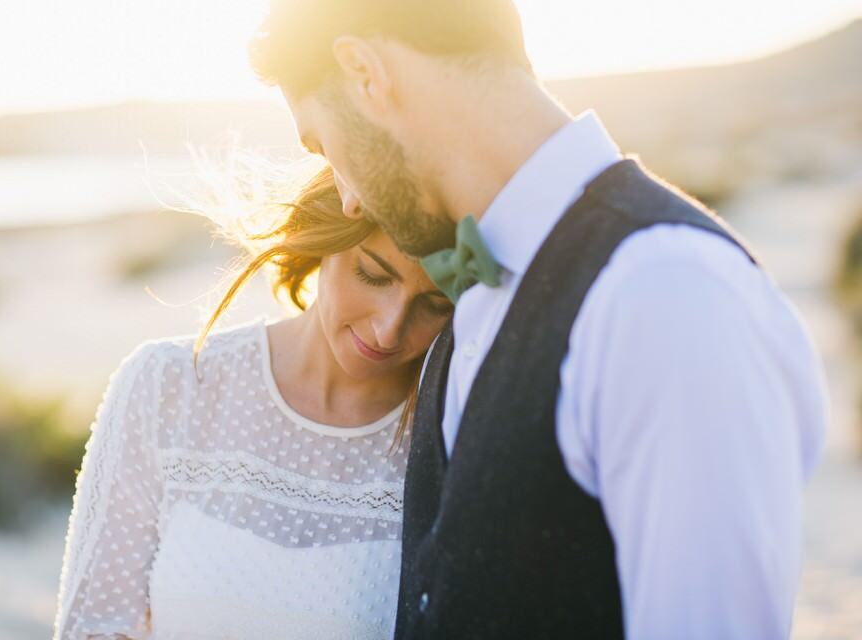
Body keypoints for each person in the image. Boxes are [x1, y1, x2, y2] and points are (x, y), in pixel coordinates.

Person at [249, 1, 830, 638]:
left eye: (323, 144)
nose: (349, 195)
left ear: (366, 73)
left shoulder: (665, 292)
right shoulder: (473, 298)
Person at [52, 165, 453, 639]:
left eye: (433, 304)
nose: (389, 328)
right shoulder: (169, 386)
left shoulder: (451, 430)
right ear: (324, 237)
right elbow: (93, 626)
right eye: (372, 274)